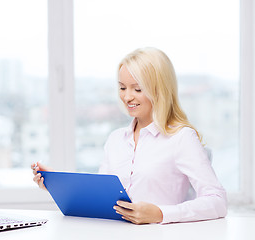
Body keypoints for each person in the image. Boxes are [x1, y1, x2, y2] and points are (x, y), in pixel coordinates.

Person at [32, 47, 227, 224]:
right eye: (123, 87)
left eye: (137, 89)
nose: (127, 97)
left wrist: (160, 213)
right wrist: (57, 185)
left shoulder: (182, 138)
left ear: (159, 90)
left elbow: (217, 201)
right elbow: (101, 197)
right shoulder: (115, 140)